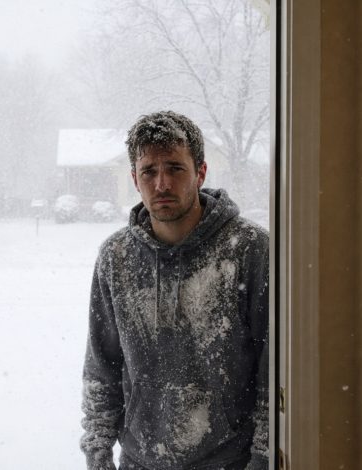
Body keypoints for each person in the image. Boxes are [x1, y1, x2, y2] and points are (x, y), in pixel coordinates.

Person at [80, 111, 269, 470]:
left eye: (175, 168)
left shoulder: (250, 249)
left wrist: (261, 461)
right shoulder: (115, 257)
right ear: (135, 179)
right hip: (139, 461)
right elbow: (101, 368)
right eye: (149, 171)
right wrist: (98, 453)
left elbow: (271, 372)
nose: (162, 183)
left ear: (200, 172)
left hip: (230, 462)